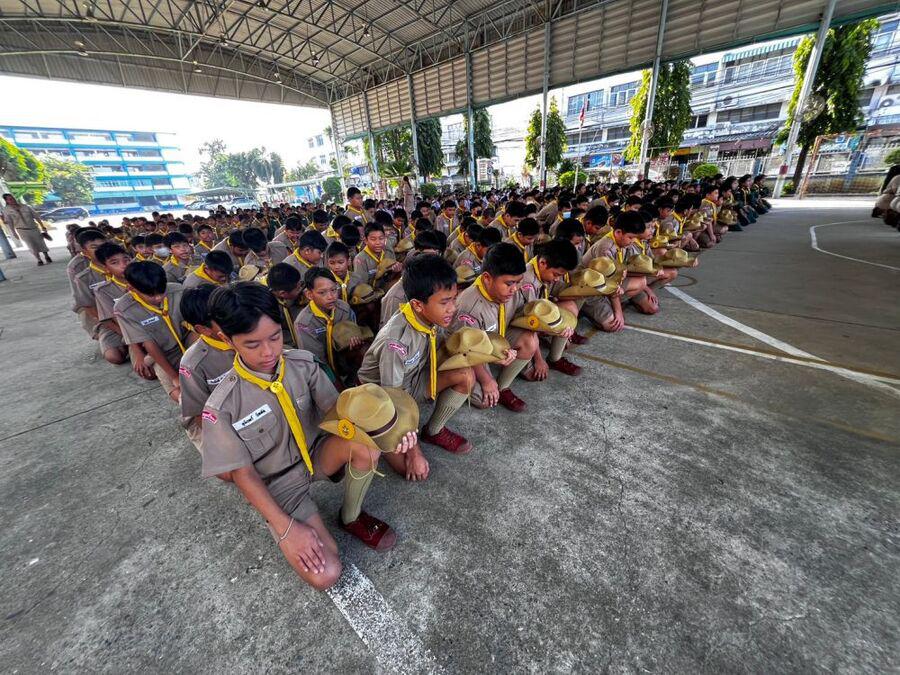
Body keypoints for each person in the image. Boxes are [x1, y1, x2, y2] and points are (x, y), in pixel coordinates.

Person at [200, 283, 415, 588]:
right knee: (326, 573)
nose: (268, 352)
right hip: (280, 482)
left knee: (367, 448)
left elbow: (340, 414)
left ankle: (351, 516)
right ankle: (294, 520)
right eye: (252, 344)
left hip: (317, 453)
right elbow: (242, 474)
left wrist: (391, 434)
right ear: (226, 339)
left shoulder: (302, 364)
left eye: (275, 337)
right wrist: (286, 529)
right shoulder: (222, 406)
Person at [359, 254, 476, 462]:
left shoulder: (432, 317)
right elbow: (393, 398)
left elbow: (447, 346)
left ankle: (434, 431)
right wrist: (414, 453)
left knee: (466, 375)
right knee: (412, 469)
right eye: (445, 302)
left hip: (413, 379)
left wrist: (492, 354)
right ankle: (382, 435)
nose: (453, 308)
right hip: (382, 397)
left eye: (454, 298)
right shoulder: (395, 342)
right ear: (418, 305)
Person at [450, 243, 537, 412]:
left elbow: (523, 318)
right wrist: (486, 380)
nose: (515, 289)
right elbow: (465, 351)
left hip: (493, 342)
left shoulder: (510, 292)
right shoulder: (470, 307)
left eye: (518, 282)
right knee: (484, 400)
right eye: (509, 283)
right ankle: (488, 382)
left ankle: (503, 387)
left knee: (529, 340)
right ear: (487, 278)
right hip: (469, 353)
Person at [113, 261, 189, 401]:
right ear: (131, 288)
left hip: (185, 341)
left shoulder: (178, 290)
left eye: (162, 291)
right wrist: (173, 377)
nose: (159, 297)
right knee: (179, 393)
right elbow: (149, 344)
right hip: (159, 351)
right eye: (151, 295)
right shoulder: (124, 309)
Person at [178, 284, 236, 452]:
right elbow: (200, 415)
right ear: (203, 329)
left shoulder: (248, 335)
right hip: (209, 421)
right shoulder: (193, 364)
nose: (236, 319)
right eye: (225, 319)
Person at [294, 267, 359, 381]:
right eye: (322, 292)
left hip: (345, 362)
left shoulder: (343, 308)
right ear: (309, 294)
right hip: (322, 372)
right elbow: (316, 360)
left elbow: (350, 337)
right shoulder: (304, 323)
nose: (331, 297)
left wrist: (353, 343)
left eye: (333, 290)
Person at [1, 193, 52, 265]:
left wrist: (42, 226)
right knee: (31, 245)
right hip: (22, 230)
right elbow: (10, 222)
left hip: (33, 228)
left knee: (40, 243)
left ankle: (46, 256)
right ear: (6, 201)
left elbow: (36, 216)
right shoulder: (6, 210)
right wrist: (14, 232)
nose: (13, 200)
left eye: (13, 198)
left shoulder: (25, 206)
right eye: (10, 199)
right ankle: (39, 260)